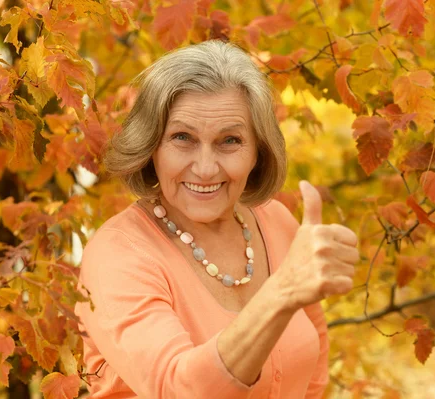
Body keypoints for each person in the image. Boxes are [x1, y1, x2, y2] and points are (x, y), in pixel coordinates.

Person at [74, 40, 358, 399]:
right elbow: (177, 389)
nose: (206, 168)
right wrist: (281, 293)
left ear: (258, 150)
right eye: (182, 138)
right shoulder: (118, 255)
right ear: (151, 147)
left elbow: (312, 369)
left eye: (230, 140)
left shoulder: (277, 222)